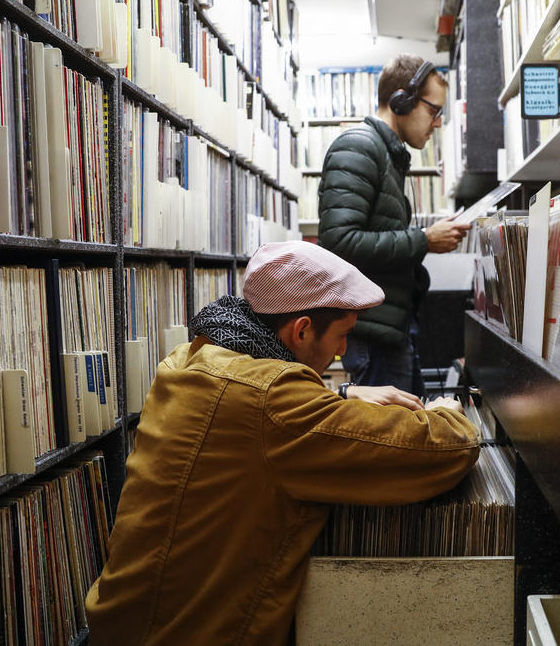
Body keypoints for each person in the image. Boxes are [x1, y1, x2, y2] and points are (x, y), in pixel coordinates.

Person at [84, 240, 480, 644]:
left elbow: (249, 424)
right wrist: (446, 410)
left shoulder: (192, 357)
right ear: (303, 329)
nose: (344, 352)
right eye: (343, 335)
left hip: (127, 623)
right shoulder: (274, 403)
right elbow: (444, 450)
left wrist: (340, 396)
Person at [317, 54, 472, 397]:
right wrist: (423, 240)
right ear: (402, 100)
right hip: (374, 337)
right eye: (433, 111)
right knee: (388, 444)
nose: (437, 123)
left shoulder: (386, 155)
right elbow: (338, 243)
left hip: (390, 330)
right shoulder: (359, 146)